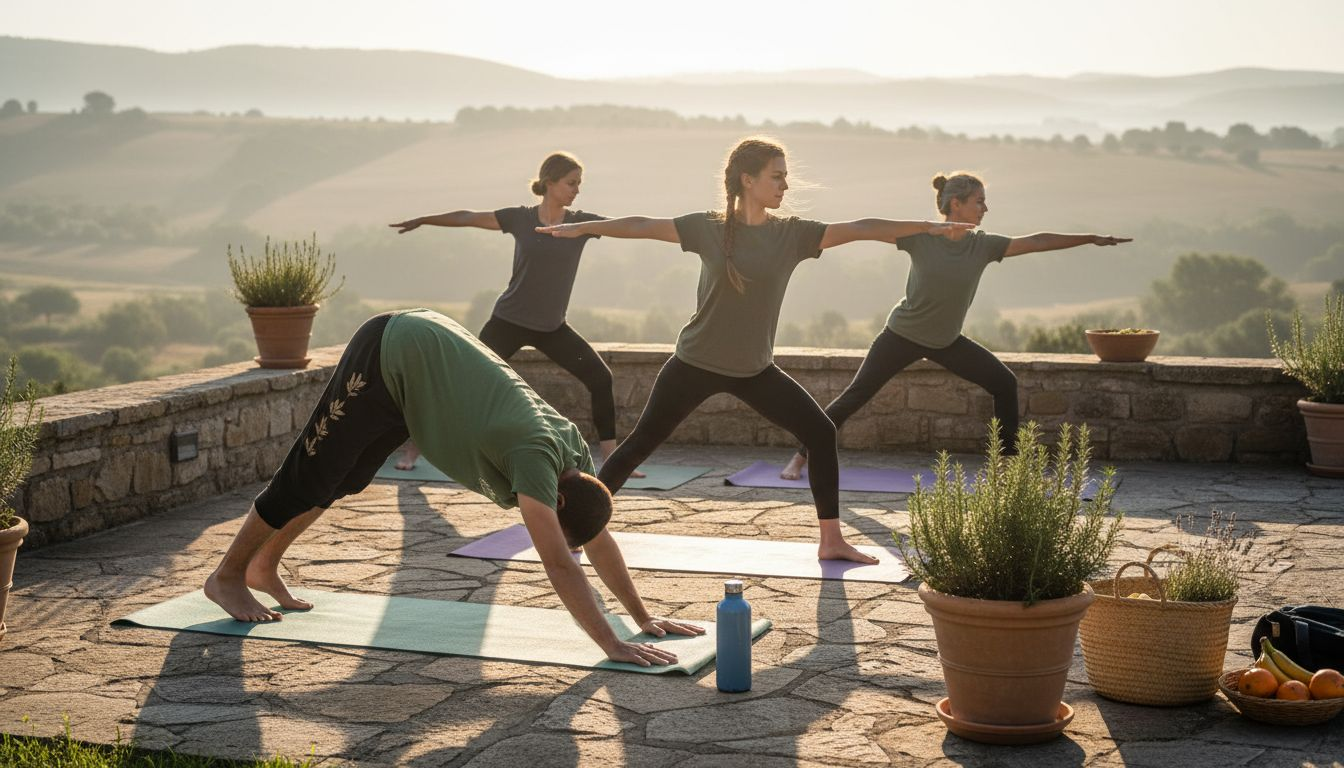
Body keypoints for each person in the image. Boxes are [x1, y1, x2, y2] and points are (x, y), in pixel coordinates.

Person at [539, 137, 973, 565]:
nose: (785, 185)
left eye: (786, 177)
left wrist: (926, 226)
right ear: (748, 180)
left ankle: (831, 540)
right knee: (637, 446)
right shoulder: (708, 228)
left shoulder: (793, 235)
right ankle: (574, 532)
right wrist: (583, 227)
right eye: (777, 176)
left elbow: (861, 228)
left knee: (820, 433)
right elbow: (641, 226)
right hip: (694, 363)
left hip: (754, 369)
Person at [203, 309, 702, 666]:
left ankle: (264, 566)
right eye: (556, 522)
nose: (546, 529)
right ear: (561, 498)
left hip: (419, 368)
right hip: (392, 349)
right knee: (305, 476)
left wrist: (640, 617)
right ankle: (228, 574)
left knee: (343, 478)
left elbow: (595, 538)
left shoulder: (573, 457)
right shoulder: (535, 458)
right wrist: (610, 645)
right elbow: (559, 562)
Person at [780, 171, 1132, 480]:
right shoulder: (922, 238)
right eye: (979, 201)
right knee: (854, 396)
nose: (985, 209)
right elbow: (871, 228)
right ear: (956, 204)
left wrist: (1089, 238)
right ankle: (800, 458)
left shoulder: (983, 246)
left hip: (946, 341)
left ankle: (1006, 469)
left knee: (1004, 383)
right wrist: (923, 226)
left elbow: (1037, 241)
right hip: (900, 336)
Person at [388, 152, 642, 476]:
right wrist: (425, 219)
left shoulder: (580, 223)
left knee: (600, 378)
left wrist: (674, 230)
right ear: (550, 183)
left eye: (579, 183)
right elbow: (468, 217)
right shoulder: (520, 219)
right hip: (508, 322)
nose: (577, 190)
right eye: (571, 183)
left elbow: (627, 226)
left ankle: (612, 458)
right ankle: (413, 450)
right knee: (461, 383)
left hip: (551, 327)